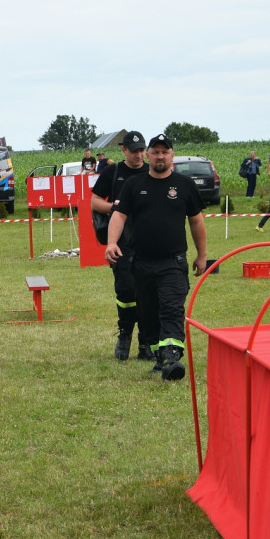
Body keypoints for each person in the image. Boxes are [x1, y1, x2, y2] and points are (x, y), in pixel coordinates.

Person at [105, 134, 207, 381]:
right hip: (141, 262)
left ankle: (172, 358)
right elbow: (118, 215)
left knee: (171, 307)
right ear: (148, 155)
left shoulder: (184, 185)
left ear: (172, 156)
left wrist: (202, 255)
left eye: (165, 151)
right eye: (155, 151)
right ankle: (159, 355)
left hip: (173, 261)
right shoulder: (133, 185)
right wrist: (110, 243)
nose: (160, 156)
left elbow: (196, 221)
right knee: (148, 313)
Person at [91, 130, 153, 363]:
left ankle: (146, 342)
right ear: (123, 150)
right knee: (126, 290)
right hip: (120, 242)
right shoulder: (113, 171)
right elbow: (95, 201)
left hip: (148, 241)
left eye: (141, 150)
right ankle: (125, 333)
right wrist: (118, 209)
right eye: (134, 150)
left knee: (148, 292)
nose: (139, 155)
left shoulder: (151, 172)